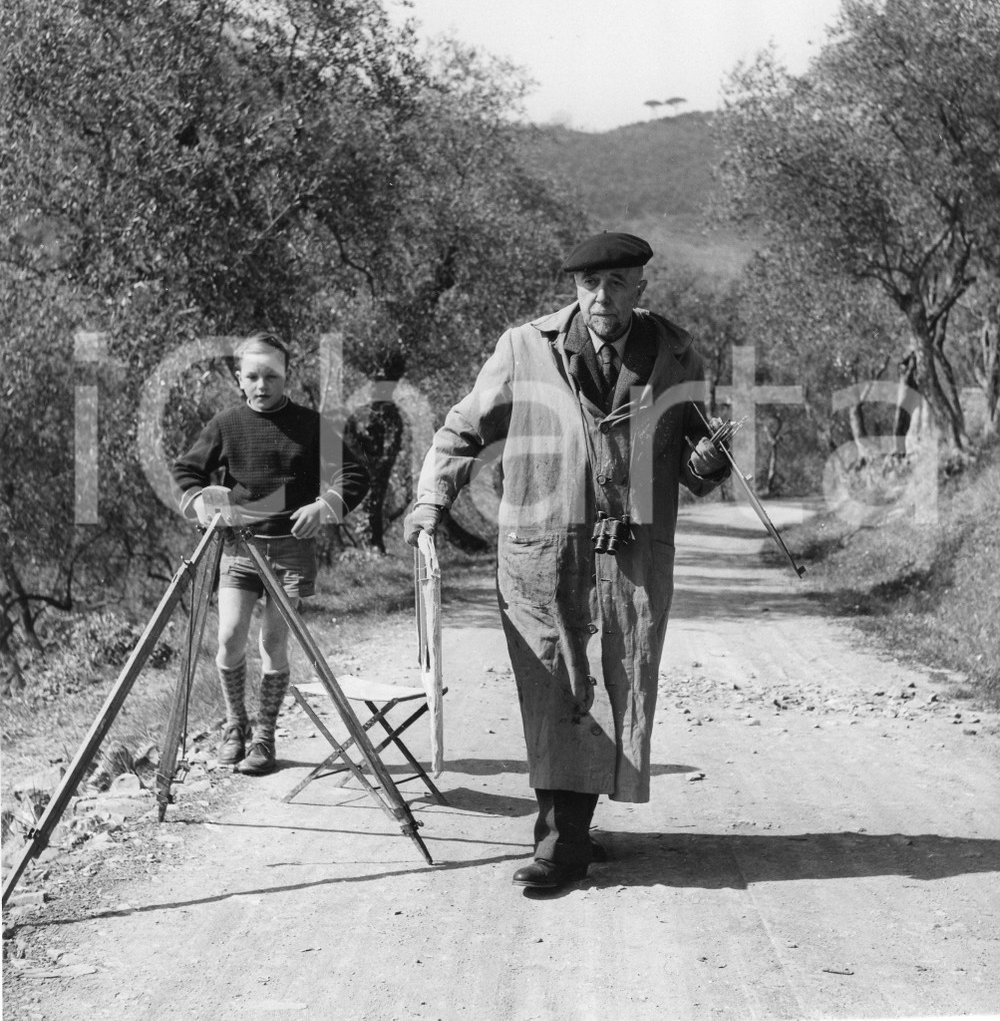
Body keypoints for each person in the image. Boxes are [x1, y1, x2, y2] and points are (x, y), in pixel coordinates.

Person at [404, 232, 730, 890]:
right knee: (557, 685)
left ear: (640, 287)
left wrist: (710, 460)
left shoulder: (675, 350)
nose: (600, 297)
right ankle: (561, 845)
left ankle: (574, 826)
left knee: (616, 680)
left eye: (615, 282)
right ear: (574, 289)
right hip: (544, 552)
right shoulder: (525, 347)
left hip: (631, 556)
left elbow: (699, 450)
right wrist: (431, 499)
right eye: (589, 284)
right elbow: (463, 427)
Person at [172, 331, 369, 776]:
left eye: (272, 376)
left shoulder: (311, 425)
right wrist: (201, 498)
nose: (263, 386)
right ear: (239, 380)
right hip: (239, 549)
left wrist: (325, 505)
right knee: (229, 637)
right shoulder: (225, 424)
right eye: (253, 377)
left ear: (287, 377)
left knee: (273, 642)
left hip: (291, 551)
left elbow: (354, 474)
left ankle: (265, 736)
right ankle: (235, 725)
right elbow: (187, 469)